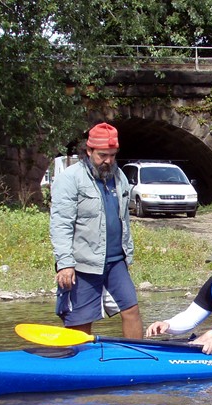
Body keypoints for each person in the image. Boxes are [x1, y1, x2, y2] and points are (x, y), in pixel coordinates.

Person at [50, 122, 143, 338]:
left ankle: (138, 358)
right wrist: (65, 263)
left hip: (115, 261)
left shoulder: (118, 176)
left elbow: (124, 219)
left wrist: (127, 253)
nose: (108, 160)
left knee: (131, 310)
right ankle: (77, 364)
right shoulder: (70, 179)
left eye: (112, 155)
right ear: (89, 151)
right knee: (81, 320)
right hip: (82, 264)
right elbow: (61, 223)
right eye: (102, 155)